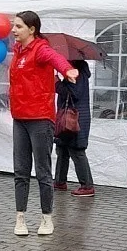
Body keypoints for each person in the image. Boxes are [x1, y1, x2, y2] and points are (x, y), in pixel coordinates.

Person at [9, 11, 78, 236]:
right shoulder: (18, 51)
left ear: (32, 29)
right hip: (20, 118)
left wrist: (66, 69)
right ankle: (20, 218)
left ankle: (47, 218)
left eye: (18, 26)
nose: (13, 30)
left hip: (39, 118)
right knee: (20, 170)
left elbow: (54, 58)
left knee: (42, 171)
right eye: (14, 26)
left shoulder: (40, 49)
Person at [54, 59, 95, 197]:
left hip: (75, 119)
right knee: (62, 149)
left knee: (77, 150)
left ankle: (87, 185)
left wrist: (57, 84)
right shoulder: (75, 72)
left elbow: (74, 93)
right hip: (69, 117)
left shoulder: (77, 72)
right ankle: (60, 181)